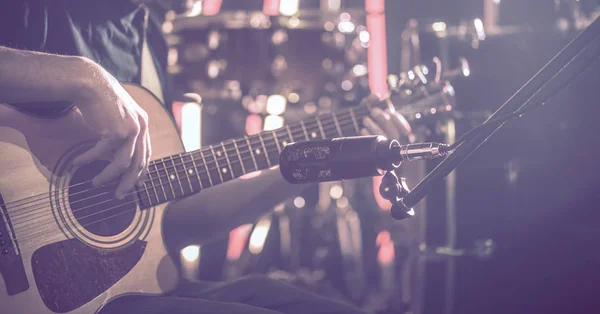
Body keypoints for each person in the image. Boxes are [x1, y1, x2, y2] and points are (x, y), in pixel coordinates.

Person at [0, 1, 412, 313]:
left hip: (104, 292)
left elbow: (171, 221)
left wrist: (311, 164)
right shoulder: (37, 11)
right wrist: (84, 78)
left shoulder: (148, 37)